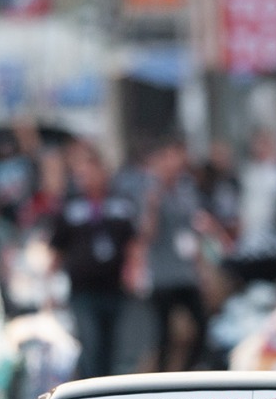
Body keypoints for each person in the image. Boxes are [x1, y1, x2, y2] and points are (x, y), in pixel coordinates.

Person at [48, 143, 139, 380]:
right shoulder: (70, 207)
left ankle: (107, 390)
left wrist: (133, 271)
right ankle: (91, 389)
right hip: (82, 290)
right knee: (90, 343)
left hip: (113, 287)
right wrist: (49, 287)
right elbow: (57, 248)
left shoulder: (120, 204)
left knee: (112, 345)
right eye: (80, 174)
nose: (85, 178)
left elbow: (132, 242)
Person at [140, 137, 215, 372]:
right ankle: (160, 378)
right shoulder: (150, 192)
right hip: (163, 275)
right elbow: (146, 234)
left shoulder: (186, 190)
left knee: (202, 324)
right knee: (163, 334)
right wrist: (153, 206)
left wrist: (201, 269)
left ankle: (190, 369)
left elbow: (193, 232)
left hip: (186, 273)